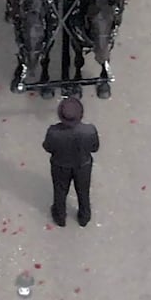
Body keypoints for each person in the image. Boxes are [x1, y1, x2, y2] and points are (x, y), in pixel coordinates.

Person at [43, 97, 100, 227]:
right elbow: (95, 148)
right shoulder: (89, 130)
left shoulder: (53, 132)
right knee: (83, 191)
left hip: (60, 165)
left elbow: (48, 148)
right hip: (83, 165)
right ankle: (84, 216)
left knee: (60, 191)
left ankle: (60, 216)